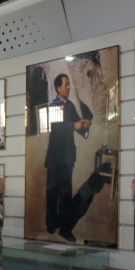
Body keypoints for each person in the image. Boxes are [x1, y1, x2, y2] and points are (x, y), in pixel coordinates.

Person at [44, 73, 93, 242]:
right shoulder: (54, 105)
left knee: (65, 196)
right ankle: (51, 225)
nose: (68, 87)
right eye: (65, 84)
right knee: (52, 194)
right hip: (54, 160)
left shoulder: (70, 105)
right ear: (58, 88)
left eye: (69, 84)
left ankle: (64, 228)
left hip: (67, 159)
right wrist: (73, 125)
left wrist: (85, 126)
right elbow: (54, 127)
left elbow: (78, 125)